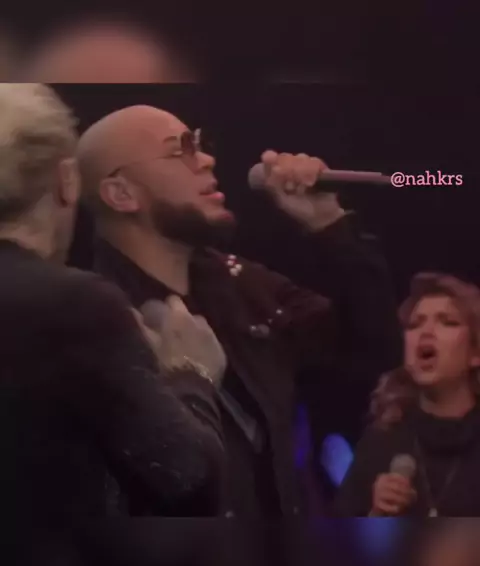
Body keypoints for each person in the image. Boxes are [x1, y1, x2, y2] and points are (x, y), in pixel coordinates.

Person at [77, 103, 401, 517]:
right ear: (121, 194)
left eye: (200, 144)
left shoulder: (242, 284)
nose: (206, 160)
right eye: (180, 149)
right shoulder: (94, 326)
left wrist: (329, 224)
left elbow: (374, 350)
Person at [0, 83, 227, 523]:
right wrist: (192, 376)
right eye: (178, 150)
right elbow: (189, 481)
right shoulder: (73, 304)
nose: (205, 161)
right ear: (68, 181)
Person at [336, 272, 480, 517]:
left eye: (447, 322)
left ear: (475, 352)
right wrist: (375, 516)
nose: (426, 331)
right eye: (415, 325)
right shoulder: (380, 441)